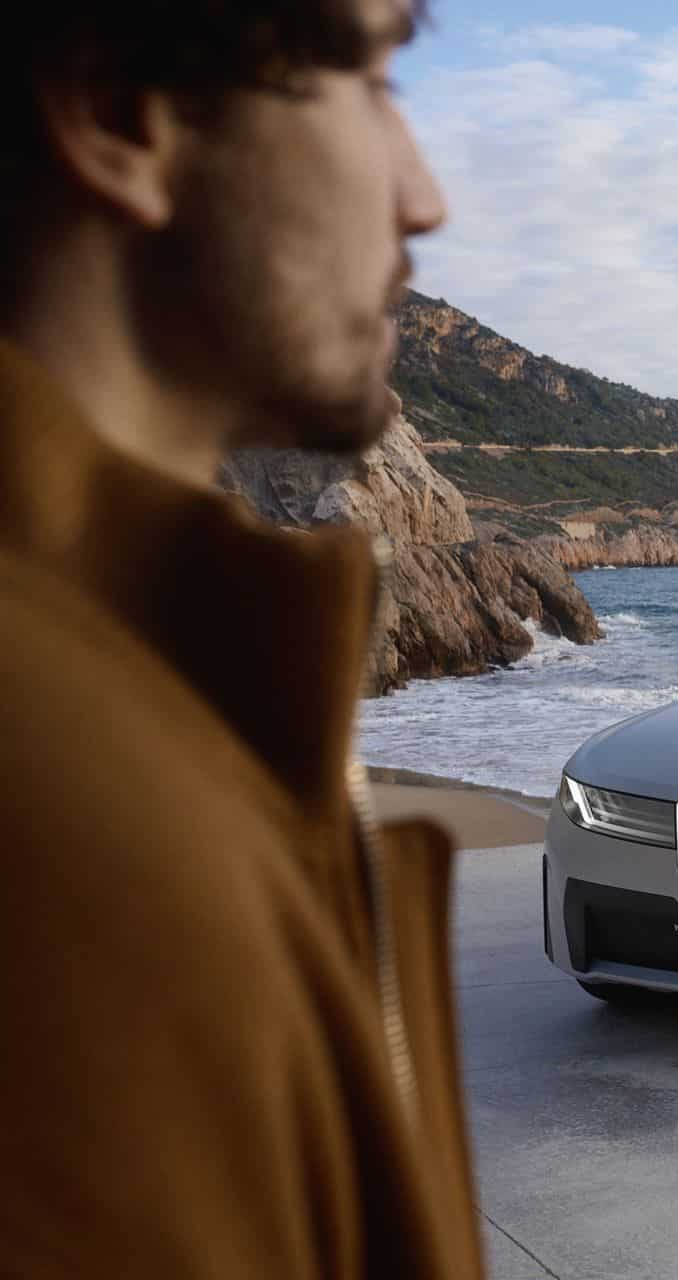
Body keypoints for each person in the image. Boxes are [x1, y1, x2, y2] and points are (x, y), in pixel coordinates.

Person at [1, 2, 482, 1275]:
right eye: (372, 78)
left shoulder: (145, 676)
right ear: (124, 111)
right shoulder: (66, 827)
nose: (424, 197)